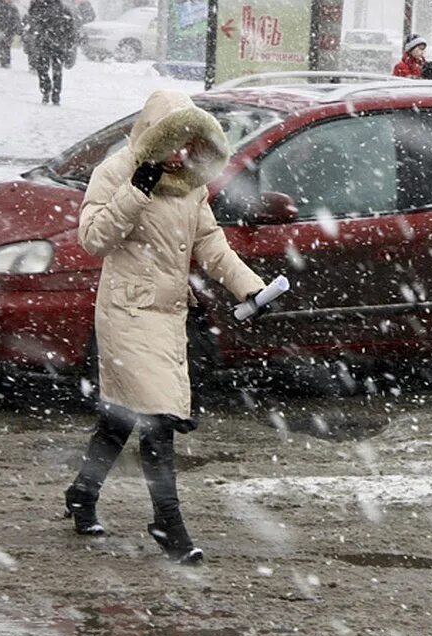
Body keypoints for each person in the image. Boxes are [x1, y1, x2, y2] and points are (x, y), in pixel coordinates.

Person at [65, 90, 266, 565]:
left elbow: (212, 246)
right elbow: (93, 239)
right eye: (172, 142)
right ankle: (168, 523)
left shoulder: (189, 183)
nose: (179, 154)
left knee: (119, 419)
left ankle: (81, 493)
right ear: (153, 136)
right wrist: (136, 191)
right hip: (127, 314)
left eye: (188, 143)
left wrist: (250, 289)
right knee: (158, 419)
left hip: (169, 316)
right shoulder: (115, 173)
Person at [27, 0, 76, 104]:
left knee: (50, 70)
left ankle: (51, 92)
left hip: (51, 44)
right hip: (48, 43)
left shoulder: (61, 8)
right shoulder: (38, 6)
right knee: (48, 70)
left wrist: (69, 43)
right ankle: (51, 91)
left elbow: (70, 28)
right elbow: (32, 22)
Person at [0, 0, 23, 68]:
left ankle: (6, 61)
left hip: (9, 29)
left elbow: (16, 19)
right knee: (3, 45)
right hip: (1, 28)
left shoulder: (12, 7)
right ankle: (4, 61)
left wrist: (16, 29)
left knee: (7, 45)